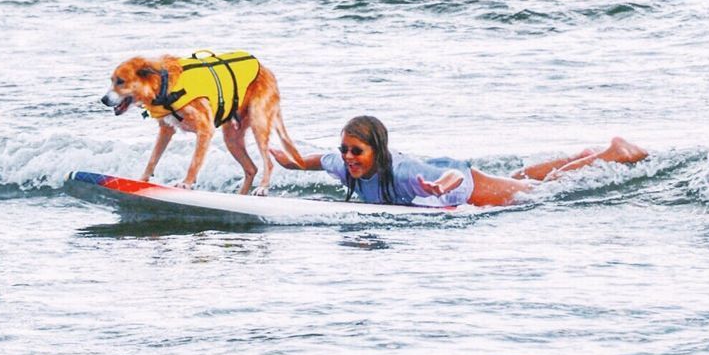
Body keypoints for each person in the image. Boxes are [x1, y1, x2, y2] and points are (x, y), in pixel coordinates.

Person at [271, 115, 648, 208]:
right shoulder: (344, 165)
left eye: (357, 151)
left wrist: (440, 188)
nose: (348, 158)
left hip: (465, 189)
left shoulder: (402, 170)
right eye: (346, 150)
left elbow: (451, 175)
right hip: (448, 182)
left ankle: (615, 153)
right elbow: (314, 161)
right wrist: (285, 161)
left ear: (377, 152)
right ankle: (583, 157)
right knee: (515, 176)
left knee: (538, 190)